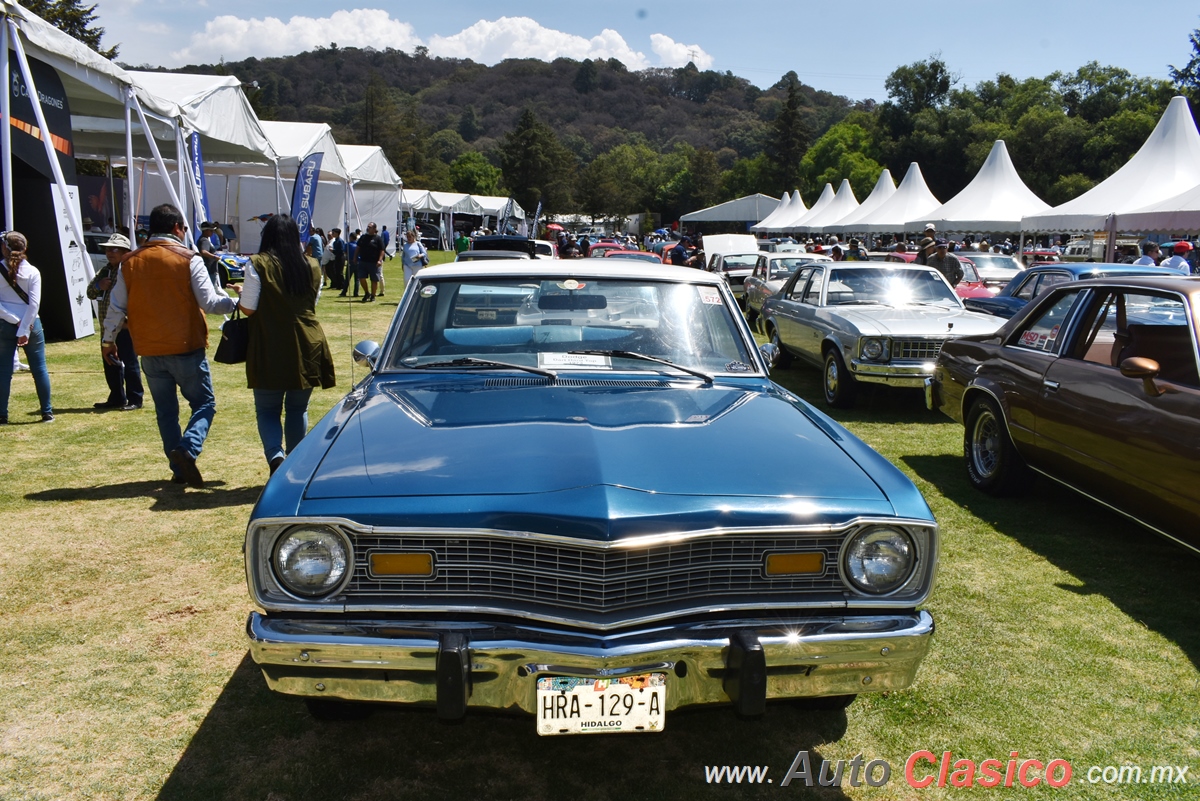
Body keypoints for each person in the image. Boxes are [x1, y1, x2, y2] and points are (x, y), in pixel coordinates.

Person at [101, 203, 241, 487]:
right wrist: (239, 303)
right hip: (185, 344)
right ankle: (187, 450)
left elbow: (115, 307)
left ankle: (178, 468)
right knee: (204, 404)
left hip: (149, 349)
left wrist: (108, 341)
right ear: (177, 227)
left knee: (166, 412)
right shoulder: (189, 258)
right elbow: (210, 302)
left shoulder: (130, 261)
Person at [238, 215, 335, 475]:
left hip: (270, 342)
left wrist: (240, 294)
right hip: (308, 341)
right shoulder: (313, 265)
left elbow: (248, 308)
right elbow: (311, 304)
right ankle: (294, 462)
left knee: (267, 409)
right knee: (297, 407)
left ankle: (275, 456)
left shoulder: (257, 264)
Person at [0, 231, 53, 424]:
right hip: (31, 324)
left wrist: (14, 321)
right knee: (39, 369)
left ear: (5, 247)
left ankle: (2, 415)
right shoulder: (33, 271)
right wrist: (24, 328)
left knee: (4, 371)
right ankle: (47, 412)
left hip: (6, 324)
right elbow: (34, 305)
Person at [87, 233, 143, 411]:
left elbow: (139, 299)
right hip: (106, 326)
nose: (110, 252)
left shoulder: (131, 271)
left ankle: (135, 398)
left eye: (115, 249)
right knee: (110, 362)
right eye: (107, 249)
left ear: (126, 251)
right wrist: (98, 286)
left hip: (125, 326)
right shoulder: (104, 271)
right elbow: (89, 292)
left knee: (130, 362)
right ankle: (116, 397)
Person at [355, 222, 385, 301]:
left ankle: (373, 296)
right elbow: (358, 247)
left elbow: (382, 250)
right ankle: (366, 293)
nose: (368, 228)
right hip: (363, 261)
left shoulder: (378, 238)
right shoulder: (363, 237)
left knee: (374, 279)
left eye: (370, 227)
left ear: (374, 229)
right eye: (368, 227)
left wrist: (380, 260)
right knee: (361, 278)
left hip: (374, 263)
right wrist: (355, 257)